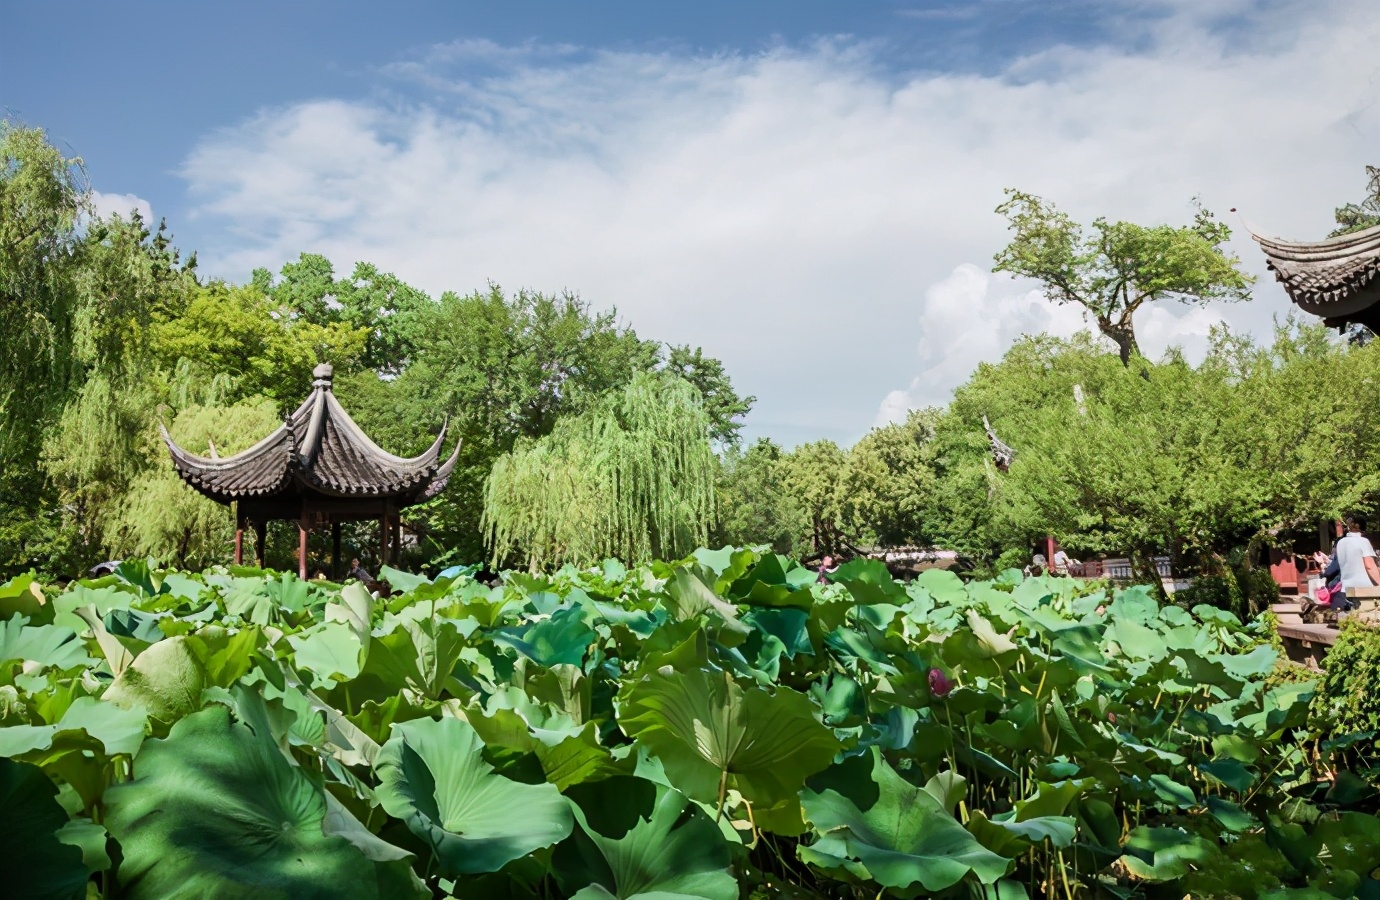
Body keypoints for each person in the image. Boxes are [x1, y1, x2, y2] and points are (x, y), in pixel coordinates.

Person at [1333, 516, 1380, 599]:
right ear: (1362, 529)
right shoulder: (1363, 541)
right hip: (1363, 589)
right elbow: (1369, 566)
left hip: (1345, 589)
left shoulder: (1340, 543)